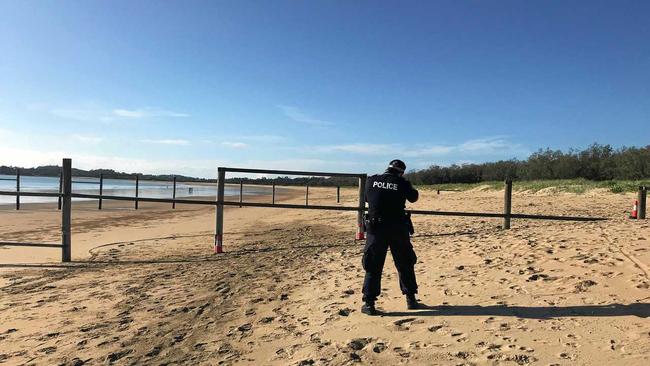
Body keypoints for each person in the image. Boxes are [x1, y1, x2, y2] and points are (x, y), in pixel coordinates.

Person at [361, 159, 421, 315]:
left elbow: (367, 198)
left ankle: (369, 303)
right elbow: (414, 197)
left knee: (373, 265)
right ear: (401, 172)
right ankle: (411, 299)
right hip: (397, 227)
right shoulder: (401, 182)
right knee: (405, 263)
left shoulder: (372, 180)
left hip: (376, 228)